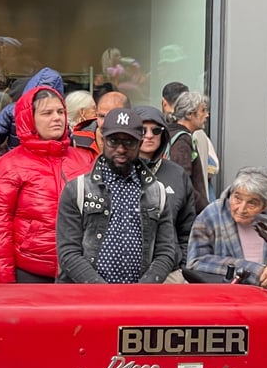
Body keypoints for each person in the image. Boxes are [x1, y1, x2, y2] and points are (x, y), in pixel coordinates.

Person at [0, 85, 95, 283]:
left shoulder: (84, 159)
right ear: (29, 119)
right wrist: (3, 285)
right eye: (47, 113)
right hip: (29, 271)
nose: (57, 118)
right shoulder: (9, 165)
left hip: (80, 270)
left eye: (60, 112)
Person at [56, 108, 177, 284]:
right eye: (114, 141)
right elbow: (68, 252)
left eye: (129, 142)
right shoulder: (78, 189)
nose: (121, 149)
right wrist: (102, 291)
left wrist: (143, 288)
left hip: (137, 298)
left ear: (140, 142)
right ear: (103, 139)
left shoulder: (156, 192)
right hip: (85, 298)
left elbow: (165, 251)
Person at [185, 167, 267, 288]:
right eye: (237, 199)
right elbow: (195, 261)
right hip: (226, 295)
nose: (241, 209)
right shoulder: (211, 214)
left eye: (252, 203)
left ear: (266, 205)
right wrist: (252, 270)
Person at [134, 105, 196, 275]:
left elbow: (187, 228)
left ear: (163, 134)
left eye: (155, 130)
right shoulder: (118, 171)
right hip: (124, 272)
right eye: (141, 129)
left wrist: (181, 264)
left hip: (169, 272)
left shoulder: (177, 174)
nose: (149, 135)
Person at [165, 91, 210, 214]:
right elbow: (183, 182)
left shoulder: (170, 133)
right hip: (185, 214)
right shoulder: (182, 141)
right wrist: (205, 208)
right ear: (190, 114)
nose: (207, 115)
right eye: (203, 110)